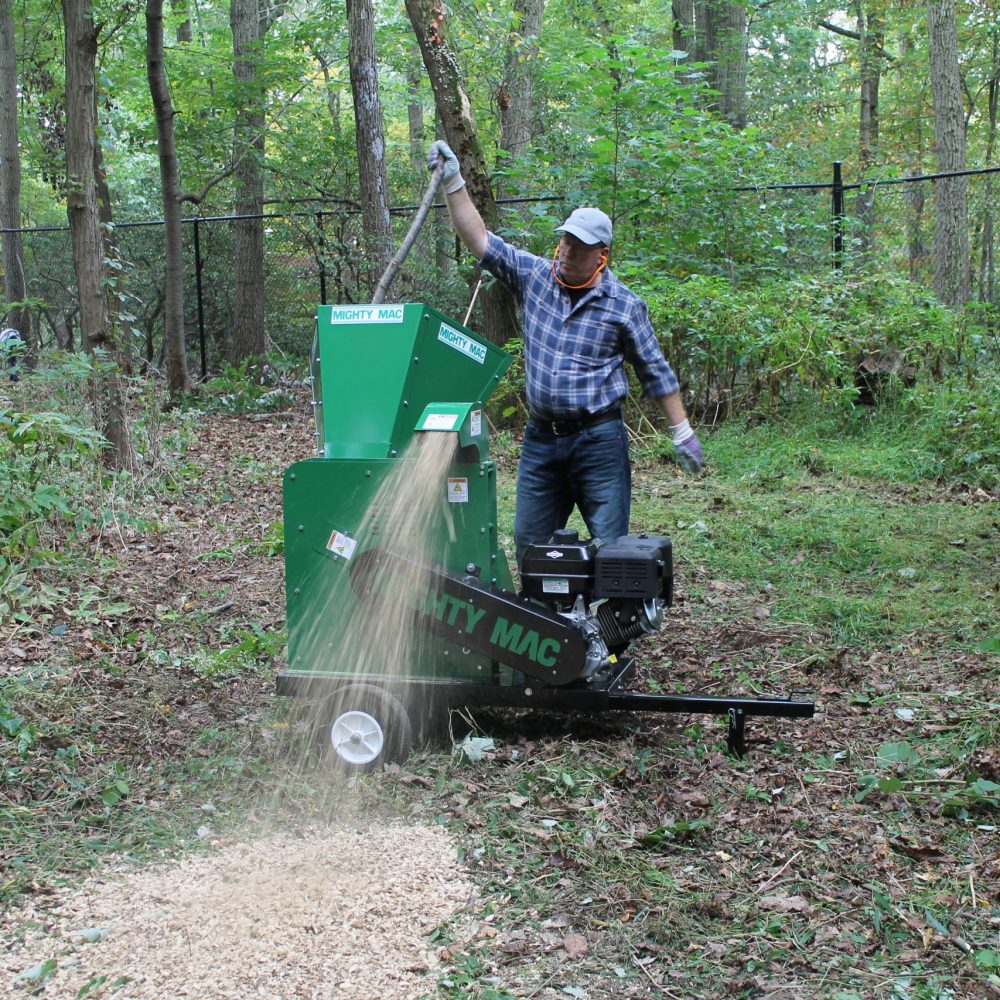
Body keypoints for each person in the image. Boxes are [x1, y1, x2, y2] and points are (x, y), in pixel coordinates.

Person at [427, 141, 703, 568]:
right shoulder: (535, 276)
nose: (568, 251)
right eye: (565, 241)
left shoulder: (624, 306)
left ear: (602, 256)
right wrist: (454, 182)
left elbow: (656, 372)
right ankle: (546, 629)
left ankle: (607, 632)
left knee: (611, 549)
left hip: (599, 441)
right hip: (541, 441)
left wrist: (681, 431)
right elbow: (481, 241)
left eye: (580, 246)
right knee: (530, 546)